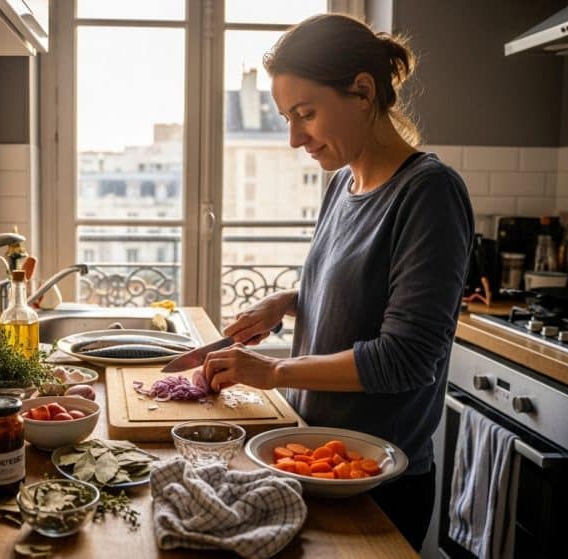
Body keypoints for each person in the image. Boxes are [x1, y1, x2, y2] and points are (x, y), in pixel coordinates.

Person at [202, 13, 473, 551]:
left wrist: (274, 370)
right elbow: (359, 296)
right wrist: (288, 302)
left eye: (306, 114)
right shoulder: (342, 186)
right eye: (286, 117)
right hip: (309, 457)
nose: (294, 138)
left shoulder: (429, 193)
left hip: (374, 481)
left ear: (363, 92)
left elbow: (408, 356)